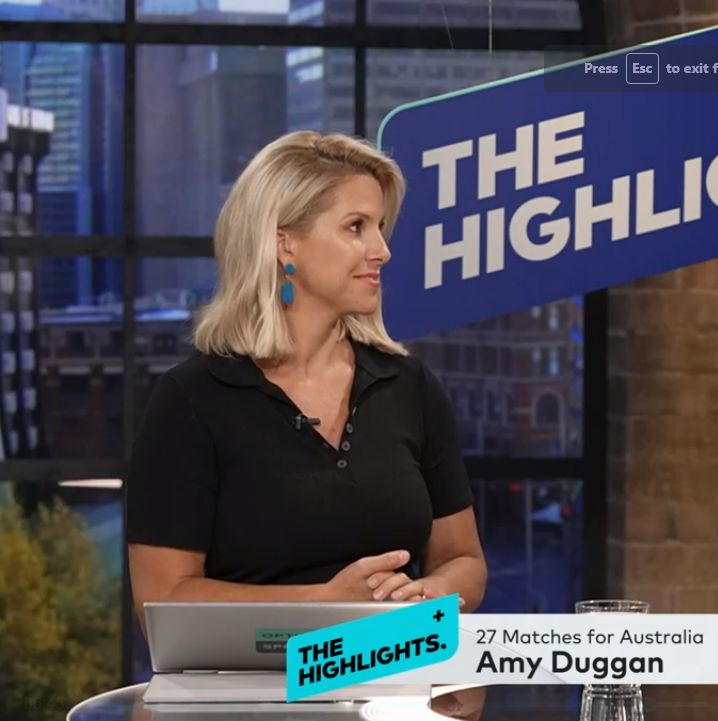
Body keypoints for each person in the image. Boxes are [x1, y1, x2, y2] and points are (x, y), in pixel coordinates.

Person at [126, 132, 486, 632]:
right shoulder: (193, 400)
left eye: (380, 228)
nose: (382, 250)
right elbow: (160, 600)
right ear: (284, 242)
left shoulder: (409, 386)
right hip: (250, 678)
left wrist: (432, 593)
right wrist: (323, 603)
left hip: (394, 670)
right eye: (356, 227)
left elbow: (464, 560)